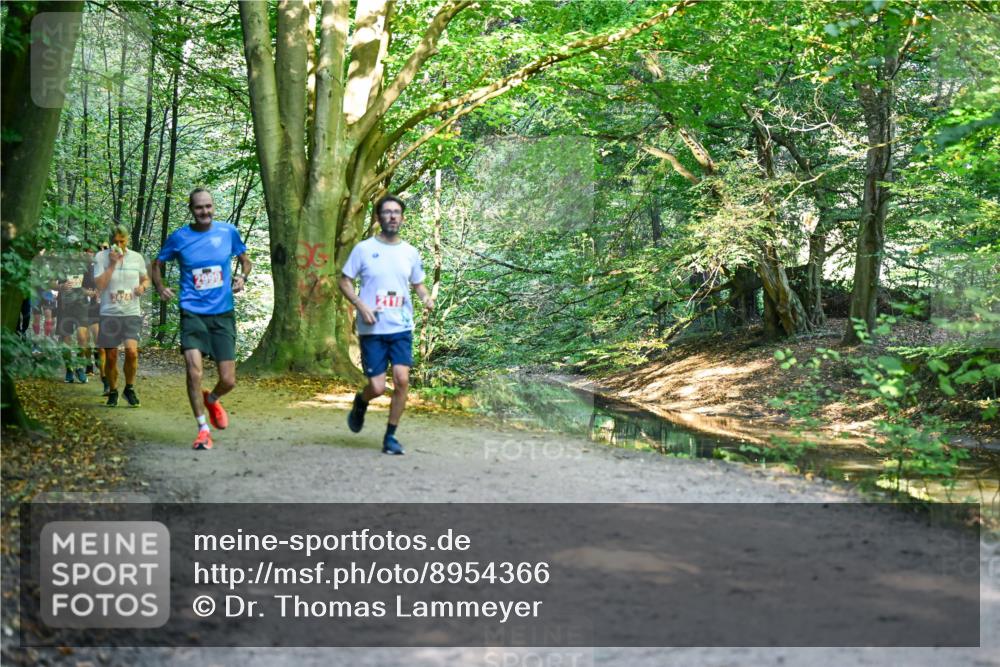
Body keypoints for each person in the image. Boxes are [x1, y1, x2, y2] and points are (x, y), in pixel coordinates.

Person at [152, 188, 251, 451]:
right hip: (192, 312)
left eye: (208, 206)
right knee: (193, 372)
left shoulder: (228, 232)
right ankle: (203, 429)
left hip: (222, 313)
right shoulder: (179, 238)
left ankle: (213, 398)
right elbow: (157, 263)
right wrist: (160, 287)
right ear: (191, 210)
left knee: (228, 380)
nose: (204, 212)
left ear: (213, 207)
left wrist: (242, 277)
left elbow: (245, 260)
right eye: (199, 208)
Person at [339, 194, 434, 455]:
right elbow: (344, 281)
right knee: (378, 387)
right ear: (379, 217)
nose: (392, 216)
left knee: (402, 380)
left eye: (396, 212)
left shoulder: (410, 252)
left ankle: (390, 436)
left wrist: (426, 297)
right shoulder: (364, 249)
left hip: (401, 326)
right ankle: (361, 400)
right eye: (387, 212)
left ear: (402, 218)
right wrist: (360, 304)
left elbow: (418, 284)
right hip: (373, 328)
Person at [94, 225, 150, 408]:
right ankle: (113, 390)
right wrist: (112, 264)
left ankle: (130, 388)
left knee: (132, 352)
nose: (118, 245)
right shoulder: (101, 257)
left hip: (131, 312)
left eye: (122, 241)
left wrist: (142, 287)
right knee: (110, 357)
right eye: (115, 241)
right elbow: (100, 285)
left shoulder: (137, 258)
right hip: (109, 313)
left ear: (127, 240)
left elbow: (145, 278)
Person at [54, 236, 92, 384]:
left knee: (83, 337)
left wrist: (89, 292)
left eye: (76, 247)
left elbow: (90, 285)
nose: (74, 251)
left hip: (81, 305)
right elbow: (51, 283)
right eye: (70, 247)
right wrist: (60, 287)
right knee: (66, 338)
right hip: (65, 305)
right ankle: (69, 368)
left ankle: (80, 367)